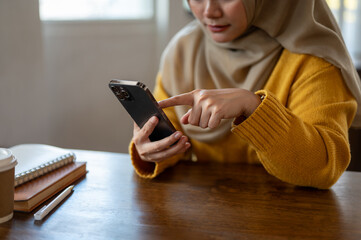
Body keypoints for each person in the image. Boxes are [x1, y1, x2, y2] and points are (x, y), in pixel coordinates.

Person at [129, 0, 361, 189]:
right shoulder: (183, 49)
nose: (210, 11)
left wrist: (254, 107)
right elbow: (177, 142)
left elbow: (323, 167)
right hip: (208, 214)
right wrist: (151, 149)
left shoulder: (314, 59)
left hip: (293, 219)